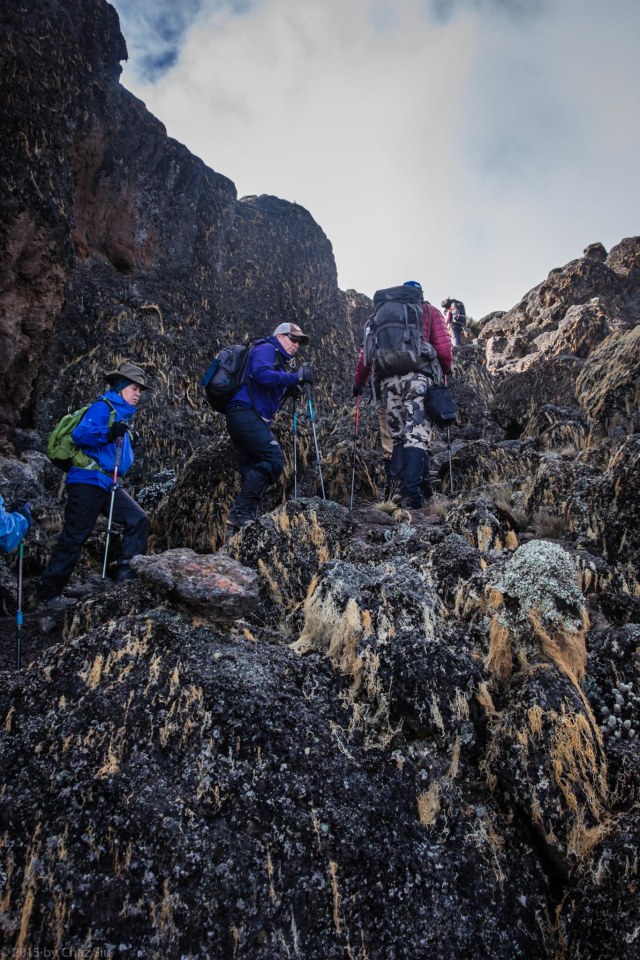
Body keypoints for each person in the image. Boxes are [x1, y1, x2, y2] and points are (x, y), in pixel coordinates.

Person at [37, 362, 152, 610]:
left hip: (107, 483)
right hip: (87, 481)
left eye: (140, 390)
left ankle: (126, 581)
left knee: (138, 519)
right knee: (75, 535)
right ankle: (48, 594)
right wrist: (109, 434)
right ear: (120, 386)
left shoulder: (122, 415)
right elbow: (81, 435)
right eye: (134, 388)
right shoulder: (103, 407)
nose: (138, 394)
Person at [353, 281, 452, 509]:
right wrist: (446, 369)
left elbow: (365, 353)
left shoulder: (378, 317)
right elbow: (444, 348)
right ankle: (411, 495)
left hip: (387, 381)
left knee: (397, 437)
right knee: (416, 435)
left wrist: (358, 383)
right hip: (418, 377)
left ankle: (395, 495)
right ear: (419, 294)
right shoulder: (428, 311)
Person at [226, 322, 313, 532]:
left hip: (245, 415)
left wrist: (288, 388)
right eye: (293, 338)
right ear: (280, 336)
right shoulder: (267, 347)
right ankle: (240, 513)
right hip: (245, 413)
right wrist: (295, 378)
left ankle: (239, 525)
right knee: (273, 459)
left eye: (299, 342)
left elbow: (265, 391)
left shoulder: (278, 360)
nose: (296, 344)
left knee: (251, 468)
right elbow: (262, 375)